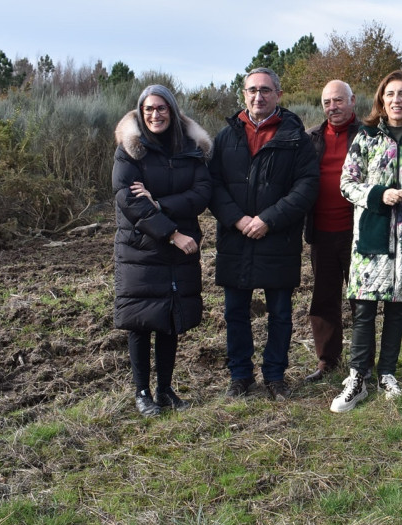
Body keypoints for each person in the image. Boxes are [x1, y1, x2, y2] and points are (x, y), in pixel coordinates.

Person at [330, 70, 402, 413]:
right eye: (391, 94)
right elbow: (347, 184)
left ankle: (387, 373)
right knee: (364, 310)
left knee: (396, 309)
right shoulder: (365, 138)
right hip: (371, 239)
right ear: (381, 99)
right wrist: (380, 194)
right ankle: (357, 377)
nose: (397, 100)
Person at [209, 68, 318, 401]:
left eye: (266, 90)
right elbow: (211, 185)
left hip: (278, 239)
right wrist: (238, 219)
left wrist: (269, 219)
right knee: (235, 314)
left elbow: (307, 186)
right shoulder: (226, 136)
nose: (259, 96)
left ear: (278, 95)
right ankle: (240, 376)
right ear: (244, 94)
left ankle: (274, 376)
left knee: (281, 315)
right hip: (235, 239)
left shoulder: (295, 137)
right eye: (252, 90)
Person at [111, 84, 212, 416]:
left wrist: (160, 201)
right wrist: (172, 233)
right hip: (142, 248)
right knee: (141, 321)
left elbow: (201, 193)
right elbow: (129, 202)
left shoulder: (191, 149)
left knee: (171, 317)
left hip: (178, 249)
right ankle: (142, 393)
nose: (155, 115)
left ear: (172, 110)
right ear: (141, 113)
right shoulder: (130, 150)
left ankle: (165, 390)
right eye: (148, 109)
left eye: (161, 108)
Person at [304, 80, 362, 382]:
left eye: (338, 100)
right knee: (324, 299)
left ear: (352, 100)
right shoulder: (310, 138)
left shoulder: (367, 135)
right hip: (321, 232)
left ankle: (363, 362)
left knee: (361, 300)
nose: (333, 107)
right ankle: (328, 361)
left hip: (358, 233)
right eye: (327, 102)